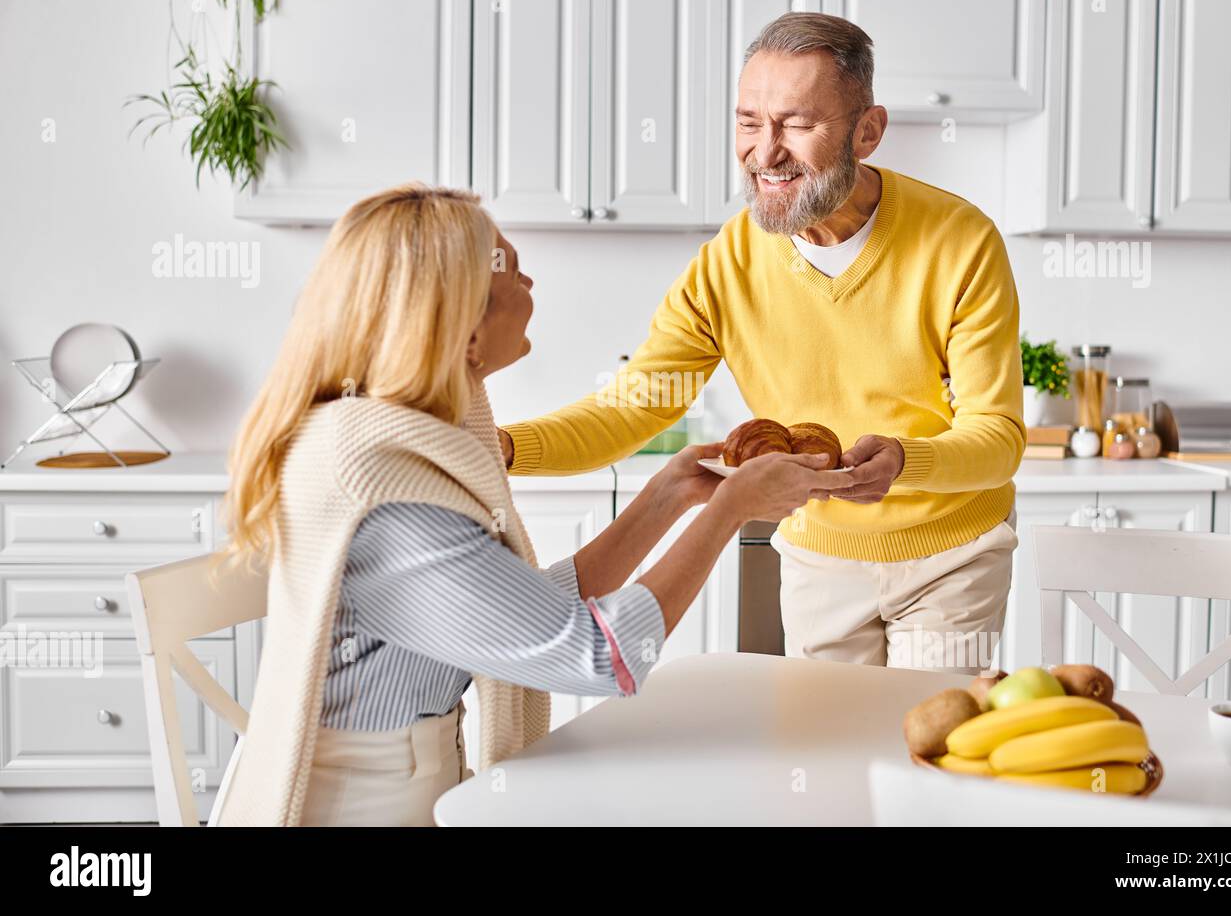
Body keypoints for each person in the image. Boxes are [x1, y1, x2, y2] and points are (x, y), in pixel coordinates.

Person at [214, 184, 853, 826]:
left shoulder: (390, 439)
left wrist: (669, 496)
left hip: (419, 775)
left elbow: (530, 612)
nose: (530, 280)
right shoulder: (390, 499)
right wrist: (730, 511)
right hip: (361, 807)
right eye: (511, 268)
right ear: (464, 332)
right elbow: (604, 655)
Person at [499, 13, 1025, 674]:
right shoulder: (729, 264)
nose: (766, 152)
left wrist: (903, 459)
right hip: (819, 555)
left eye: (797, 124)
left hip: (951, 556)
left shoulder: (959, 241)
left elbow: (998, 440)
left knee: (925, 741)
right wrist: (502, 448)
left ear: (868, 131)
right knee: (829, 753)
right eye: (750, 122)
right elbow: (633, 407)